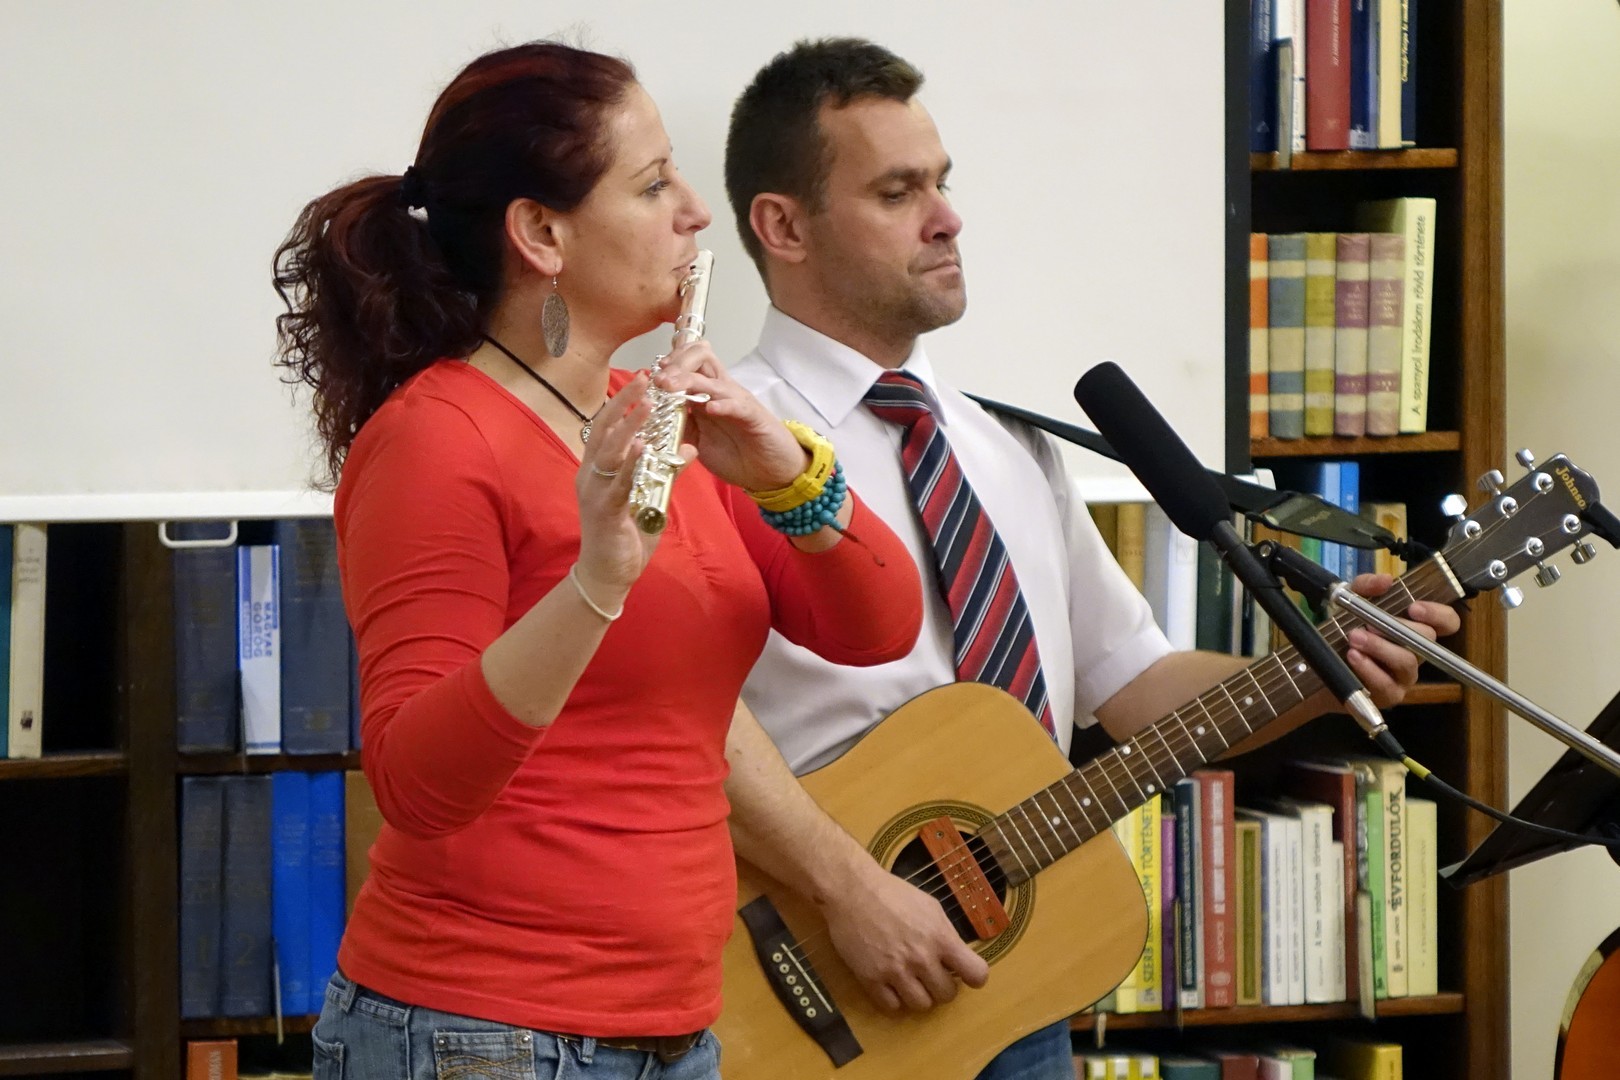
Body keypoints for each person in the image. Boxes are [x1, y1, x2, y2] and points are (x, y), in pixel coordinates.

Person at [710, 37, 1463, 1080]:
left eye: (942, 183)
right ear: (783, 226)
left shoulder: (1009, 450)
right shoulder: (719, 446)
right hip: (803, 972)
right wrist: (848, 889)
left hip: (1014, 984)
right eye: (897, 191)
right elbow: (674, 726)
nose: (947, 217)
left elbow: (1138, 688)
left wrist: (1319, 672)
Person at [272, 40, 924, 1080]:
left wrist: (786, 473)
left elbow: (876, 627)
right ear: (541, 233)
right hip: (480, 1036)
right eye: (655, 183)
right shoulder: (437, 441)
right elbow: (414, 783)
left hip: (675, 1033)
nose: (695, 213)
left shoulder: (653, 418)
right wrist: (596, 583)